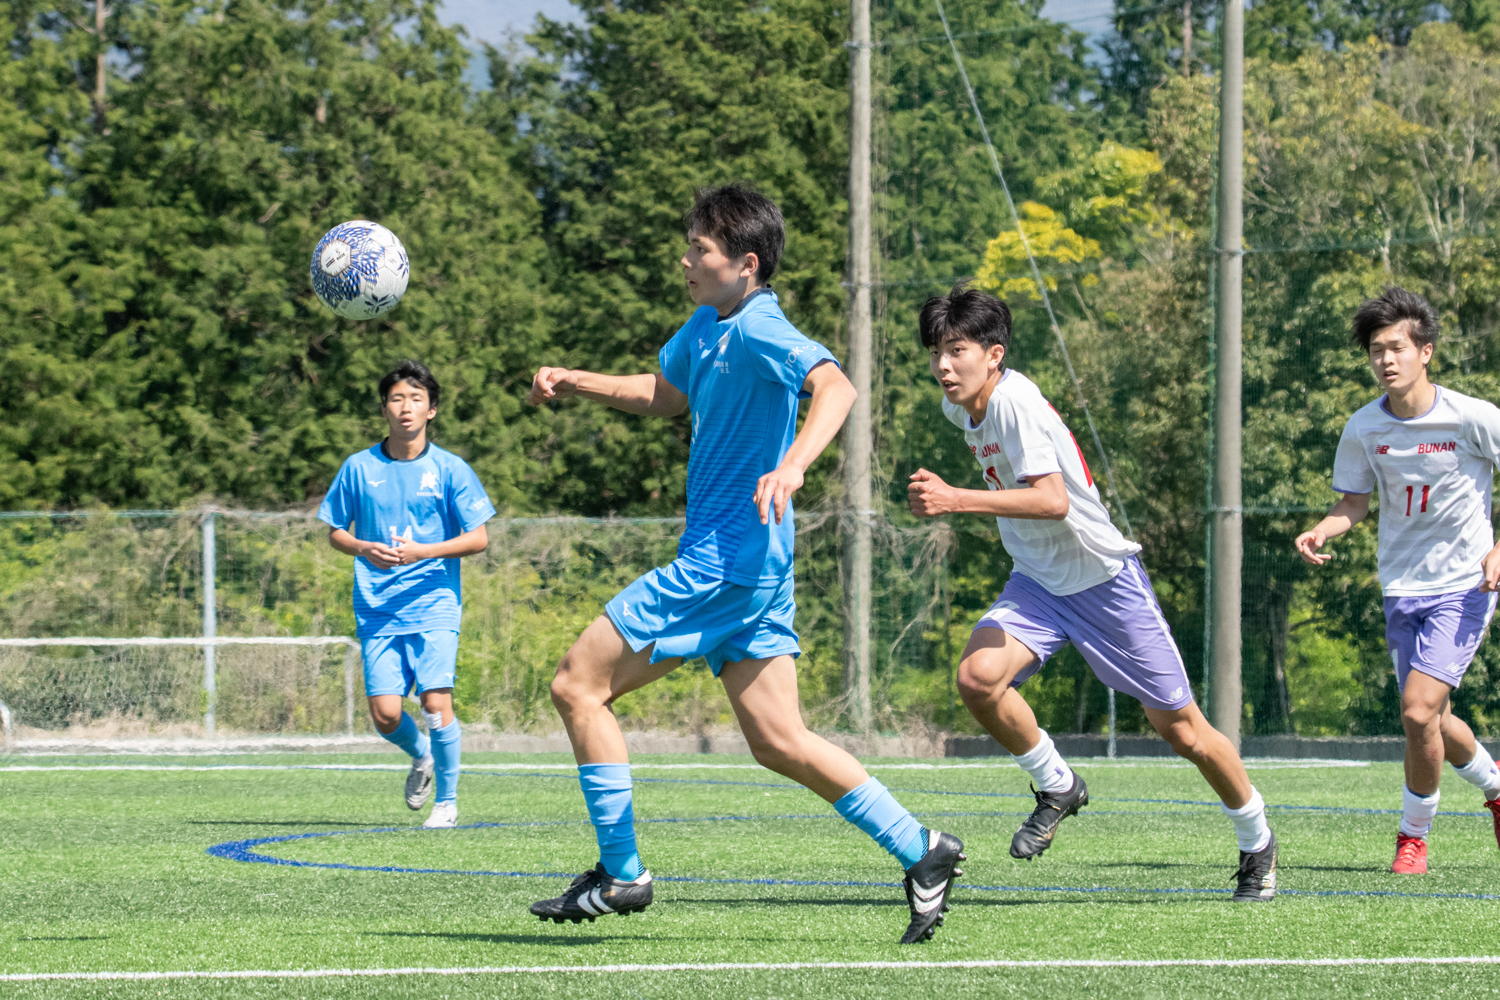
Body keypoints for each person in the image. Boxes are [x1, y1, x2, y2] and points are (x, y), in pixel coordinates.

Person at [524, 185, 965, 943]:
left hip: (722, 565)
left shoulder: (761, 326)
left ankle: (622, 873)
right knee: (779, 741)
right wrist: (576, 380)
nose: (686, 261)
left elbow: (836, 387)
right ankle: (922, 849)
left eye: (699, 250)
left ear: (746, 264)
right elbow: (665, 394)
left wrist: (793, 464)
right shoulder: (707, 325)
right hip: (752, 570)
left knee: (577, 684)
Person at [907, 281, 1277, 901]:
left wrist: (955, 499)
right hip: (1038, 583)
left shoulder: (1015, 403)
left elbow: (1052, 501)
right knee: (977, 679)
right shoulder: (962, 407)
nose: (943, 365)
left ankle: (1257, 840)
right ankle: (1058, 784)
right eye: (936, 352)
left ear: (994, 355)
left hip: (1103, 583)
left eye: (957, 350)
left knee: (1184, 731)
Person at [1296, 287, 1500, 874]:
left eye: (1397, 348)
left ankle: (1413, 837)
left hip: (1466, 584)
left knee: (1415, 712)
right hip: (1401, 587)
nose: (1386, 360)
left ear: (1425, 351)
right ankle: (1496, 787)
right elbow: (1354, 502)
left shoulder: (1472, 417)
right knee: (1431, 718)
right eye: (1376, 351)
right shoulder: (1363, 426)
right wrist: (1323, 529)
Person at [318, 360, 495, 829]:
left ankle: (447, 804)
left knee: (435, 703)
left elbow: (478, 538)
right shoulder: (358, 467)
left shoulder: (450, 469)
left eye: (416, 399)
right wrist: (362, 547)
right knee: (385, 714)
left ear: (431, 410)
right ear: (384, 409)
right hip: (377, 605)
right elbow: (335, 531)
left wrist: (424, 552)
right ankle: (422, 756)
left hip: (434, 602)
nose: (406, 407)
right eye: (397, 398)